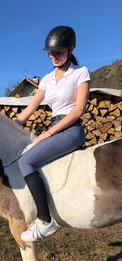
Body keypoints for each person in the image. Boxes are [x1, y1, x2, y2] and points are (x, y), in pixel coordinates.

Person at [16, 25, 90, 242]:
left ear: (71, 48)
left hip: (71, 129)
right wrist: (16, 121)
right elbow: (32, 106)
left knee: (26, 162)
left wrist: (48, 132)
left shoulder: (80, 72)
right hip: (56, 127)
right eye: (50, 53)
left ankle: (45, 221)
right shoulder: (47, 79)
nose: (53, 56)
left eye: (58, 52)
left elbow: (78, 110)